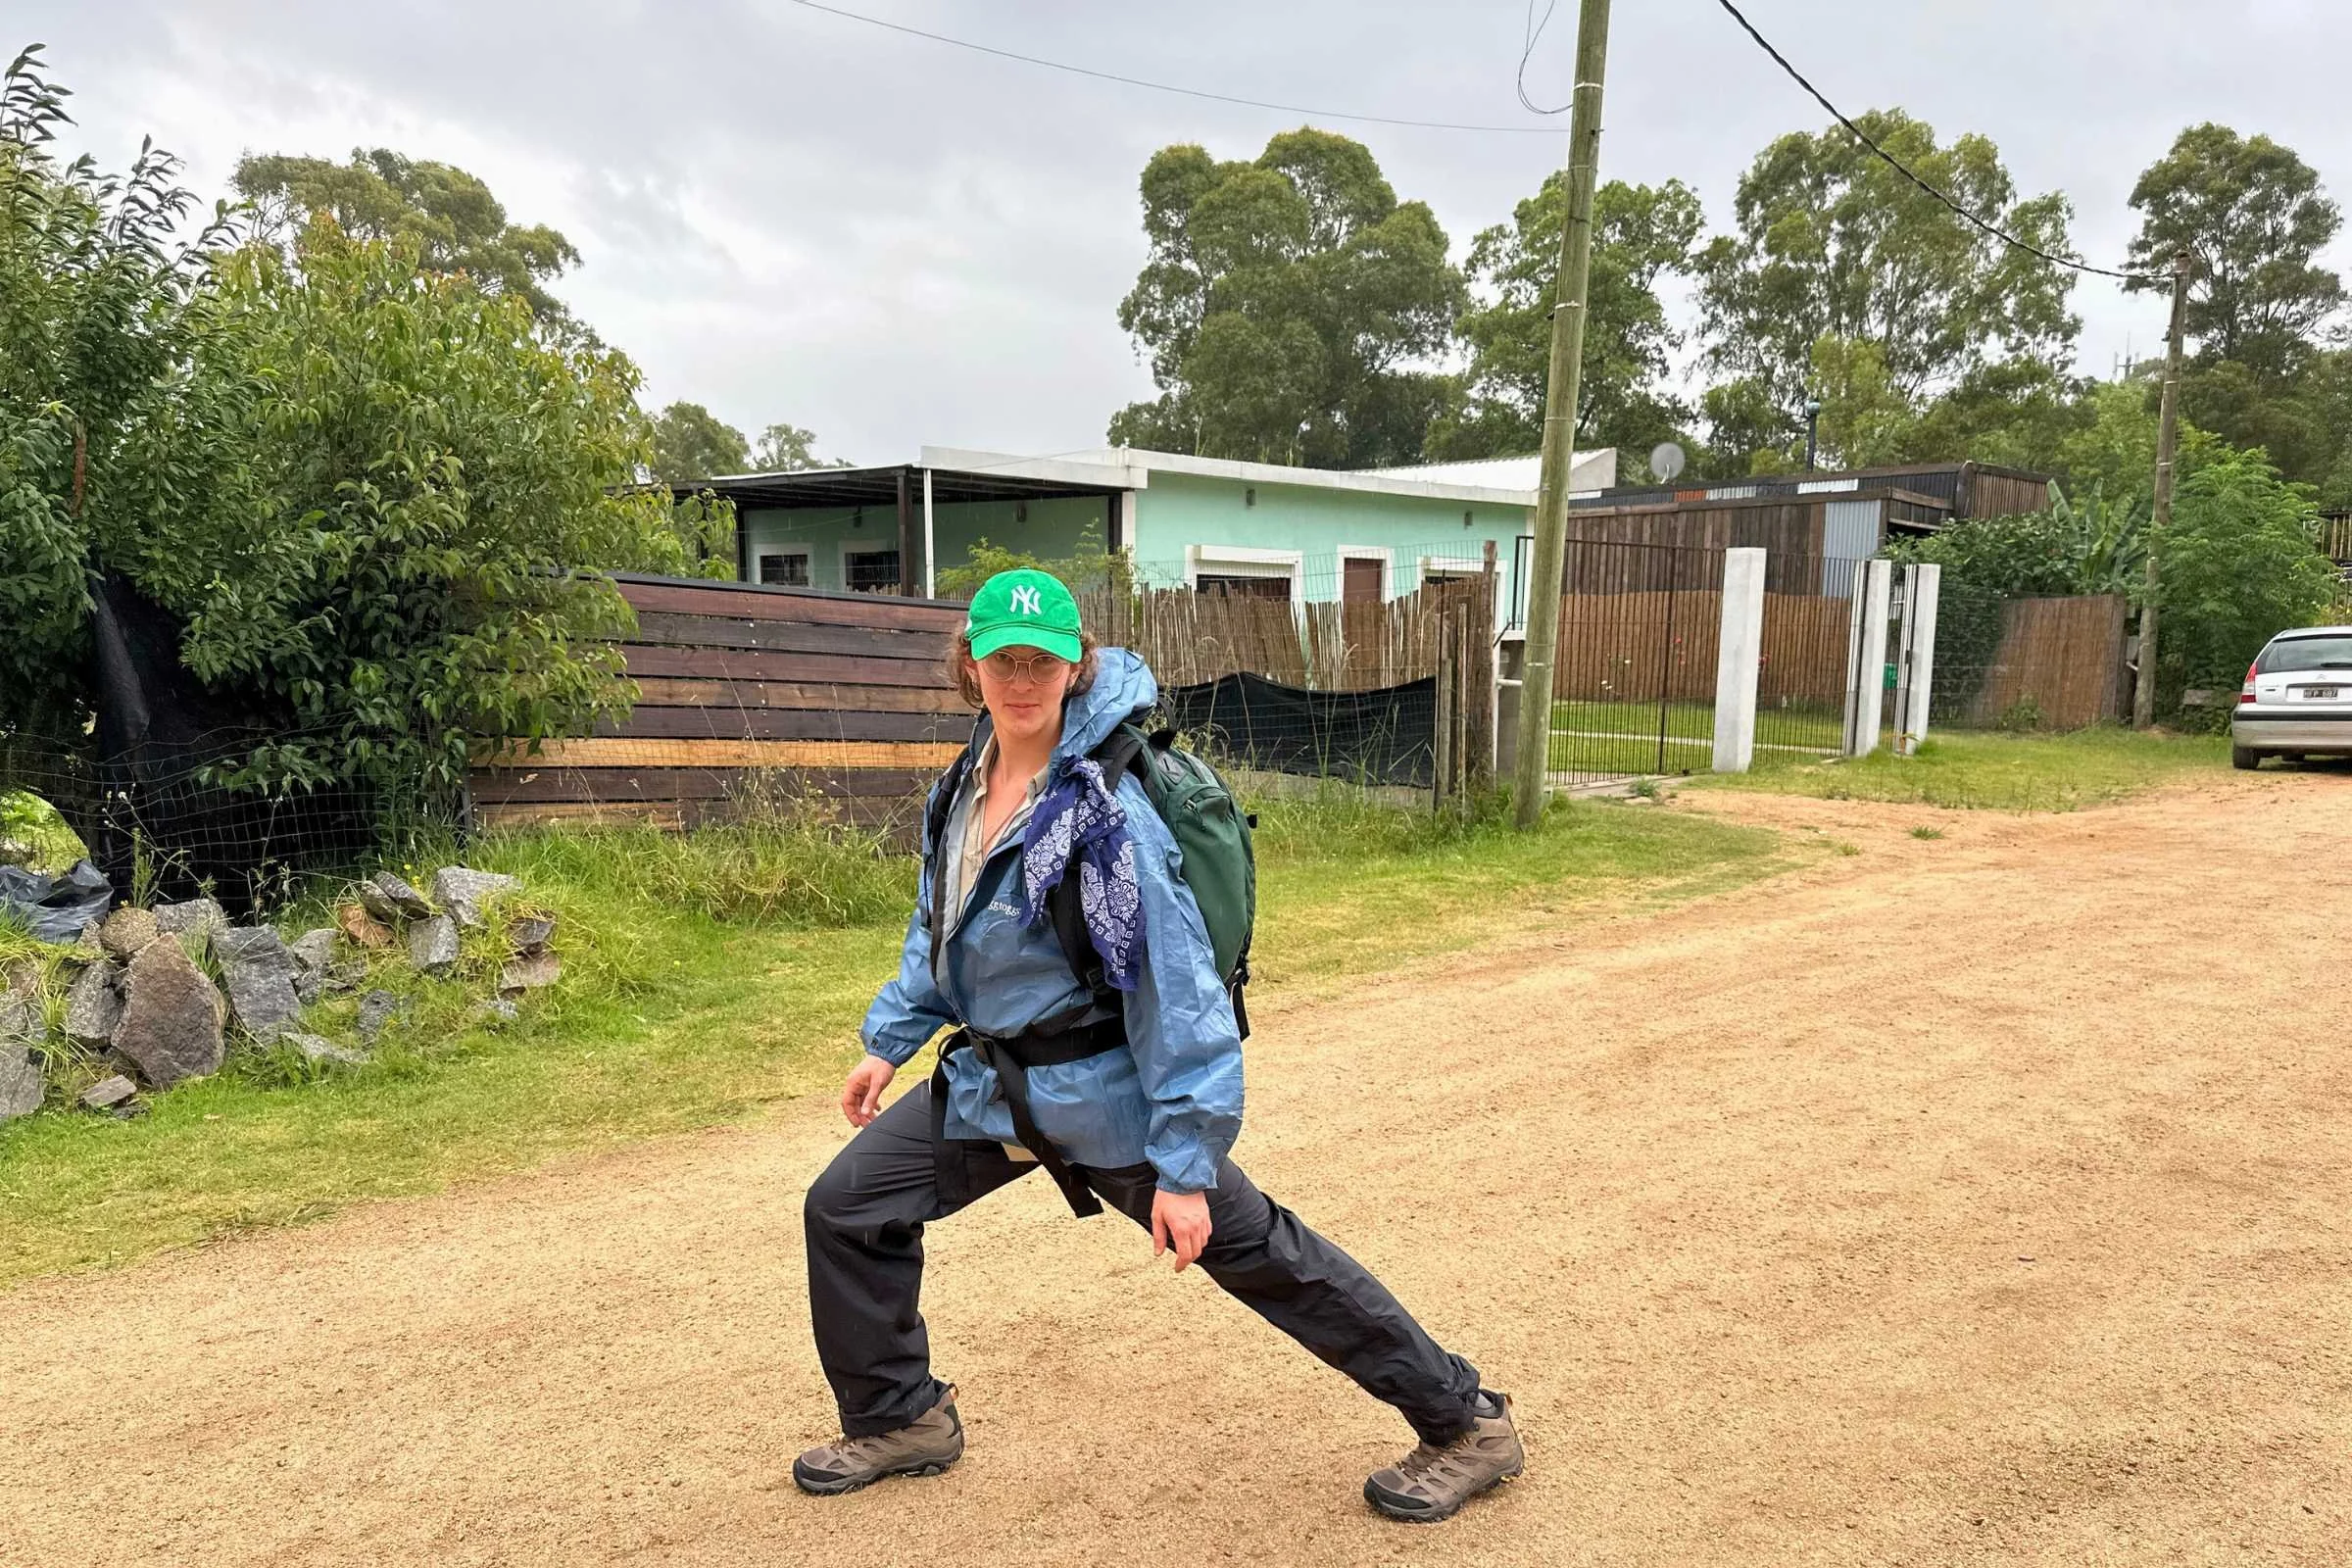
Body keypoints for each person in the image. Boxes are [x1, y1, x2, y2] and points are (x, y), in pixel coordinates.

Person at [795, 568, 1522, 1523]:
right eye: (1001, 658)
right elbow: (947, 929)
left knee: (1266, 1253)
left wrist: (1182, 1163)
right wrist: (891, 1041)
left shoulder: (1103, 814)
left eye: (1041, 660)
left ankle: (1466, 1422)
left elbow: (1180, 998)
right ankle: (900, 1415)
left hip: (1114, 1102)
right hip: (992, 1090)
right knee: (846, 1208)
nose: (1020, 678)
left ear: (1072, 666)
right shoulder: (969, 786)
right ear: (967, 664)